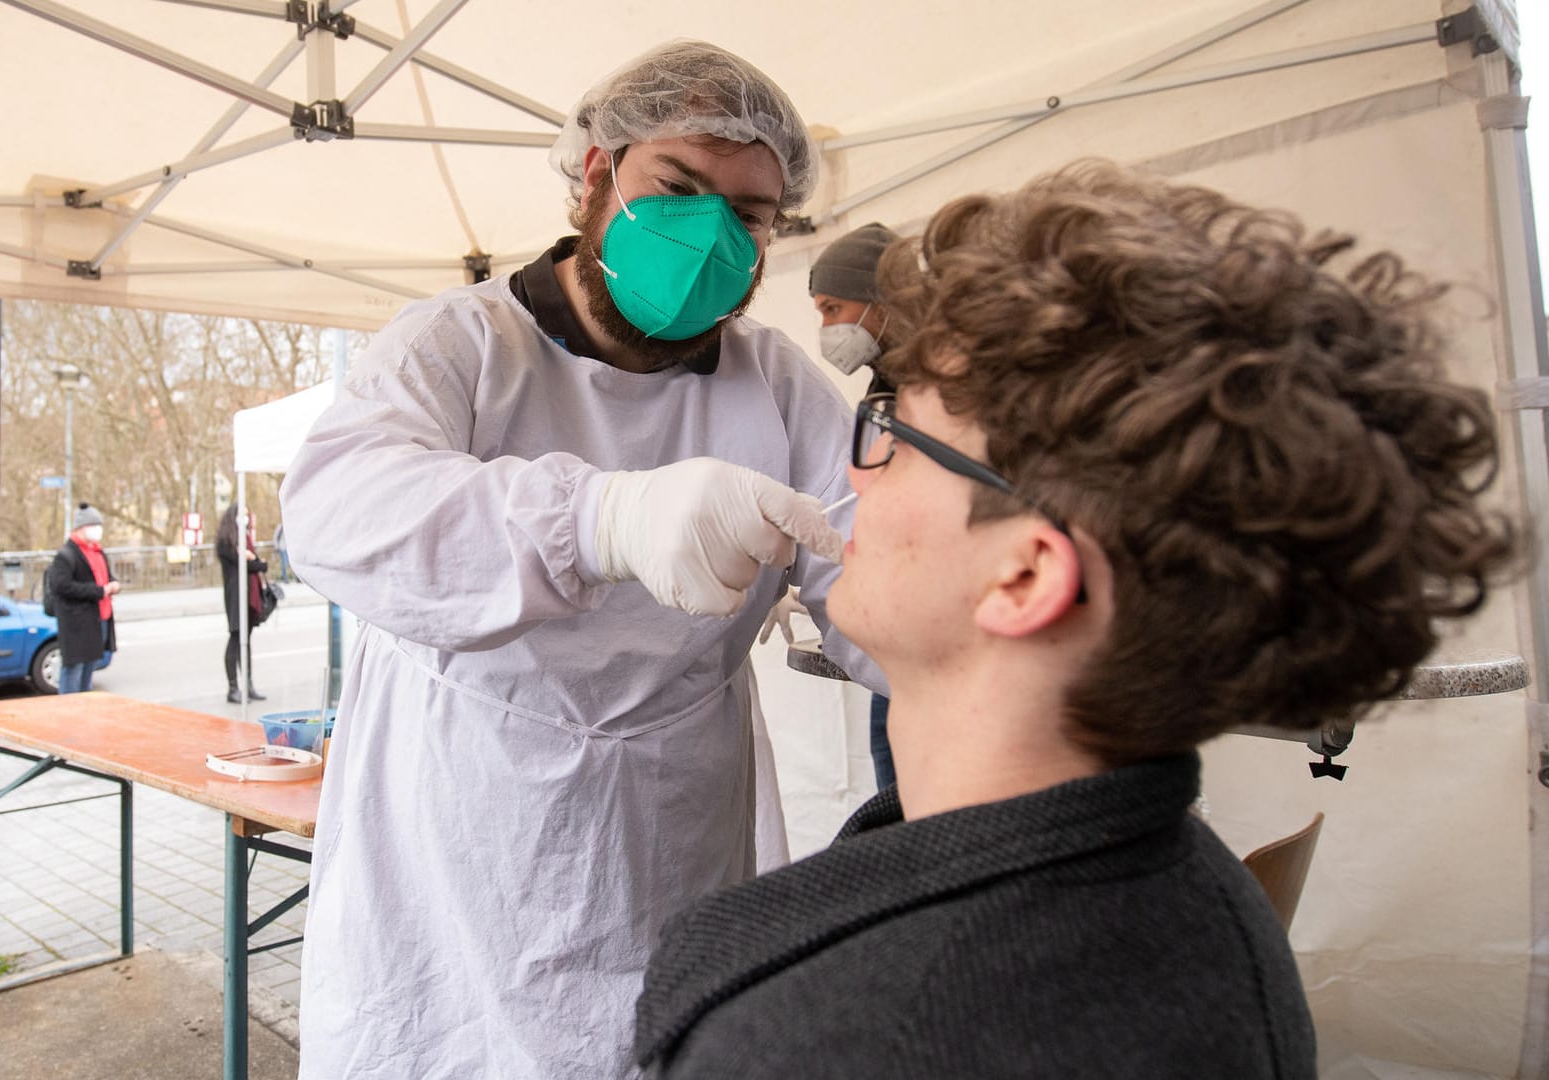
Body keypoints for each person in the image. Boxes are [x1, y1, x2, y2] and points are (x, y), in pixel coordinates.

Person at [632, 162, 1515, 1078]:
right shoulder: (1185, 900)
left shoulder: (824, 1037)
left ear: (1025, 574)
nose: (855, 475)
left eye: (894, 435)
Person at [281, 40, 883, 1080]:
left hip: (673, 835)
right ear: (597, 172)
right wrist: (597, 522)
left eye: (747, 215)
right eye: (679, 187)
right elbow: (338, 511)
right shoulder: (460, 347)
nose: (710, 237)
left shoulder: (777, 388)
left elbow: (869, 575)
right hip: (456, 841)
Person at [812, 221, 902, 791]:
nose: (826, 328)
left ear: (883, 301)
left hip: (923, 638)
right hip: (888, 635)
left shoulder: (945, 389)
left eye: (832, 307)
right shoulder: (883, 389)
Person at [47, 503, 118, 694]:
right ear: (81, 527)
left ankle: (84, 712)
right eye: (94, 526)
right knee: (73, 671)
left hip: (97, 620)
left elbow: (104, 576)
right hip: (76, 624)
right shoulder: (66, 555)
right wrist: (100, 591)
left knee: (88, 670)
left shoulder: (97, 551)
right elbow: (61, 586)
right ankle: (69, 714)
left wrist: (112, 584)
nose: (98, 530)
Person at [216, 502, 270, 704]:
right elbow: (248, 564)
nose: (246, 518)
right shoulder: (226, 541)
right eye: (243, 514)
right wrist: (250, 559)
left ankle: (248, 685)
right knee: (235, 638)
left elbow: (257, 564)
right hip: (235, 595)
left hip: (249, 595)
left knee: (245, 640)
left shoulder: (244, 539)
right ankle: (233, 688)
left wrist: (251, 558)